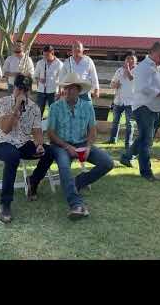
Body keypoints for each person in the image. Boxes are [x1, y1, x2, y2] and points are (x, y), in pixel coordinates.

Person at [47, 73, 114, 220]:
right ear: (64, 89)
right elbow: (50, 133)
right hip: (61, 145)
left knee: (108, 163)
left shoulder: (87, 106)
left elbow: (92, 130)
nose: (69, 91)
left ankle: (78, 182)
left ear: (79, 90)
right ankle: (76, 204)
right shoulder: (55, 107)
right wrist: (66, 146)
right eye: (67, 88)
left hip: (82, 143)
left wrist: (89, 146)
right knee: (64, 167)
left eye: (73, 88)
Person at [0, 74, 54, 224]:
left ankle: (33, 181)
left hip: (23, 142)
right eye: (20, 89)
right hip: (2, 142)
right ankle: (5, 204)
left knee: (50, 151)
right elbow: (5, 129)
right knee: (13, 156)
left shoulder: (34, 107)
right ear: (14, 88)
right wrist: (15, 109)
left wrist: (39, 144)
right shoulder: (3, 102)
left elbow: (37, 131)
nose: (23, 92)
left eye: (26, 90)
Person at [120, 41, 160, 182]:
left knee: (143, 138)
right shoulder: (143, 67)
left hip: (156, 108)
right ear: (152, 52)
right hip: (144, 107)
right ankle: (146, 172)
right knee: (146, 141)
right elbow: (143, 88)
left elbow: (158, 86)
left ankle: (126, 157)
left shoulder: (158, 68)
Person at [106, 51, 137, 158]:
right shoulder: (119, 70)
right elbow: (112, 84)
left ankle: (128, 143)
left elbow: (132, 79)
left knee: (130, 124)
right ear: (124, 60)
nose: (130, 60)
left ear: (136, 60)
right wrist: (115, 84)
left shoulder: (138, 70)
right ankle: (112, 139)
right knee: (115, 122)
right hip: (118, 100)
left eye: (132, 58)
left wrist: (128, 70)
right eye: (128, 58)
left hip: (131, 102)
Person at [33, 45, 63, 117]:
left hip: (53, 92)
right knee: (39, 112)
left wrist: (59, 92)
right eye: (44, 55)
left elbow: (62, 80)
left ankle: (52, 127)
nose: (45, 57)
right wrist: (40, 79)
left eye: (47, 55)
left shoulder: (59, 64)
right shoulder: (40, 63)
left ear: (52, 53)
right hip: (41, 91)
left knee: (53, 112)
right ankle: (38, 127)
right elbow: (35, 76)